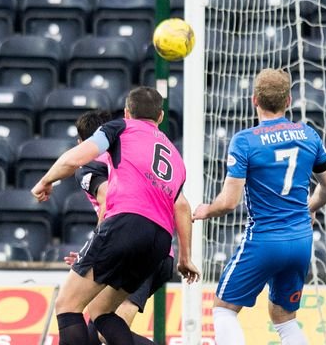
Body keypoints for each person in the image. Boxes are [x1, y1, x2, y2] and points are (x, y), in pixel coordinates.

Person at [31, 87, 200, 345]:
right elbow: (183, 207)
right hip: (161, 242)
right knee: (101, 312)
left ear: (126, 112)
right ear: (161, 116)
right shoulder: (176, 157)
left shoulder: (121, 128)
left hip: (126, 224)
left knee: (67, 305)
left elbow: (75, 159)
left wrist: (45, 181)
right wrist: (186, 257)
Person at [192, 68, 326, 345]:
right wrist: (309, 208)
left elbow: (229, 202)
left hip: (264, 240)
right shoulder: (308, 135)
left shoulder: (245, 141)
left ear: (254, 100)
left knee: (224, 310)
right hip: (300, 241)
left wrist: (205, 210)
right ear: (289, 100)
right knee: (285, 320)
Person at [69, 109, 176, 345]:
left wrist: (96, 248)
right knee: (93, 331)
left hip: (134, 248)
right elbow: (182, 204)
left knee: (103, 330)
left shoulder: (89, 164)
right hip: (159, 249)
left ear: (80, 143)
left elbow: (107, 197)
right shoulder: (134, 157)